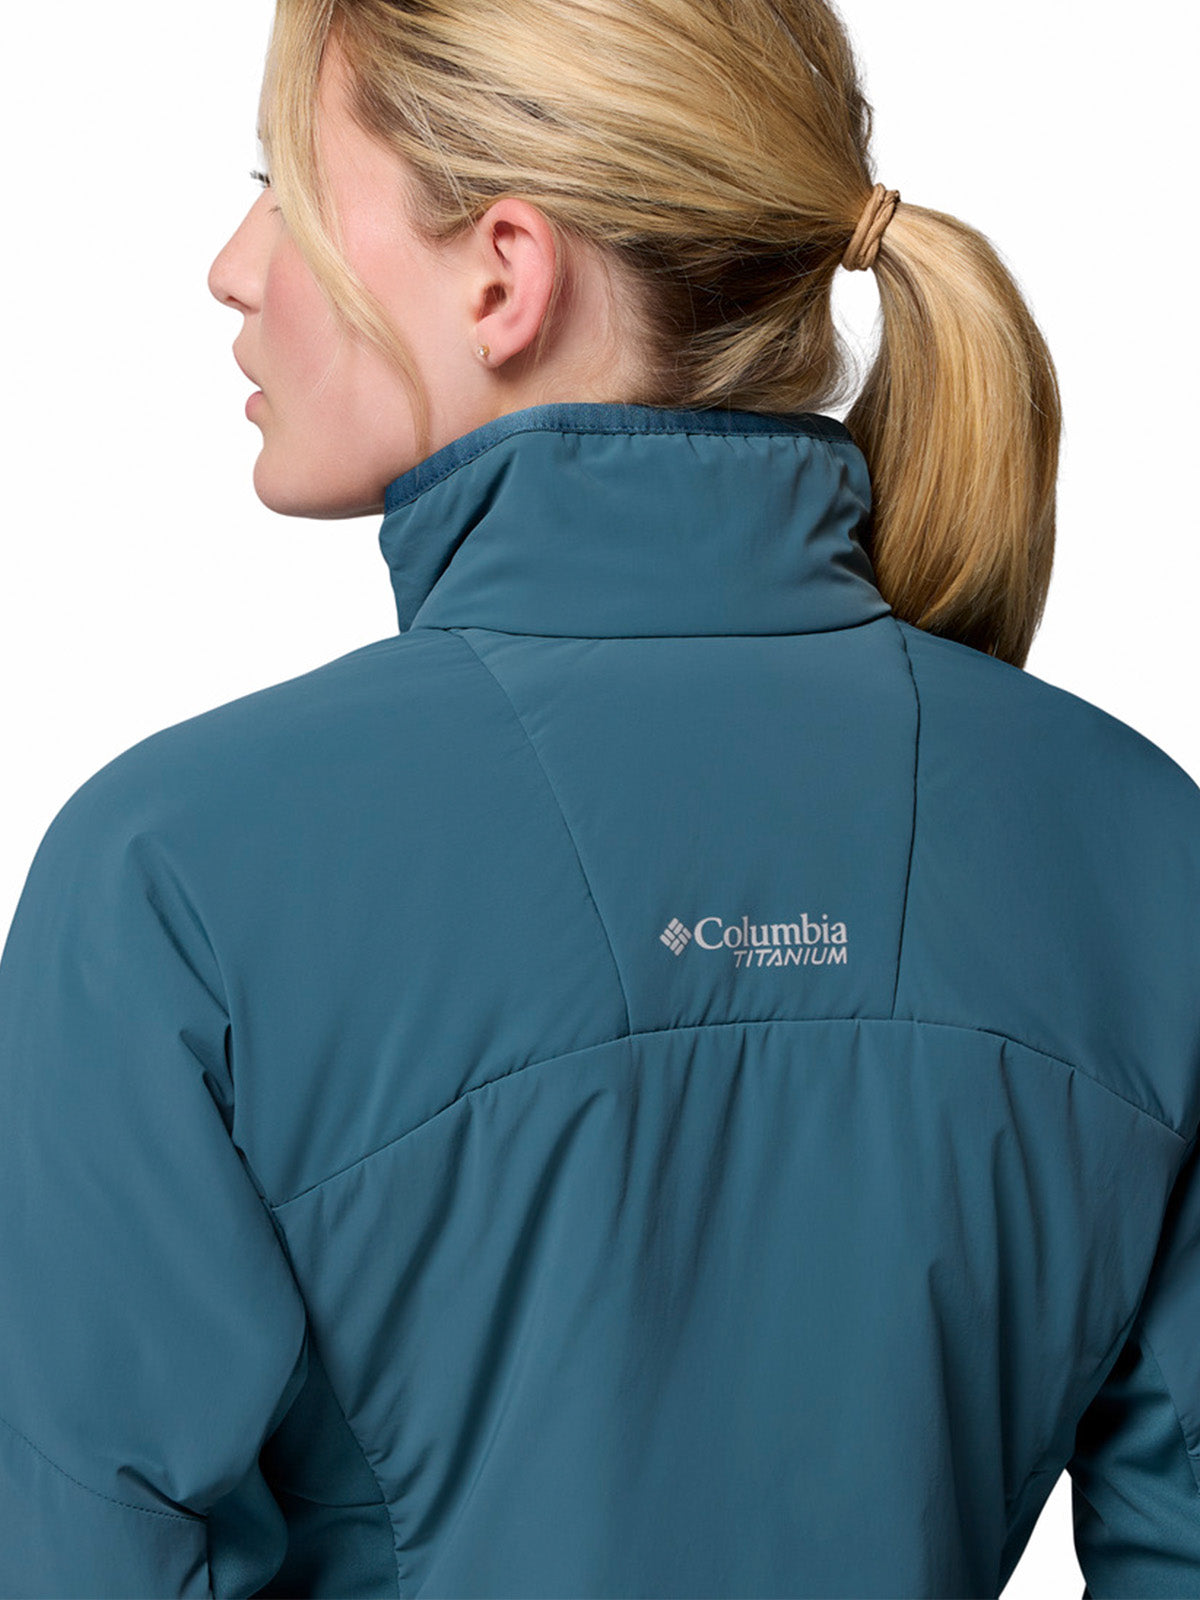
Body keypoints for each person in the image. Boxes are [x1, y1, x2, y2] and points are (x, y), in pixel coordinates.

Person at [0, 0, 1197, 1595]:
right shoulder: (1139, 843)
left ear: (503, 275)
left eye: (282, 184)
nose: (235, 264)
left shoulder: (171, 880)